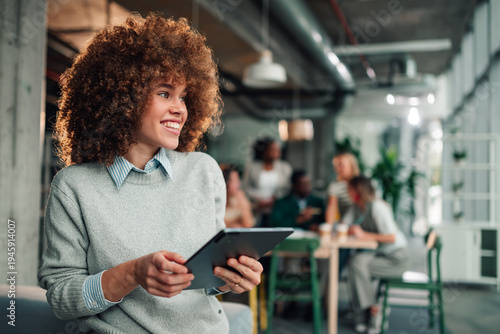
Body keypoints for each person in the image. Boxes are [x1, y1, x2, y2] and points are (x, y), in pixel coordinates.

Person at [38, 14, 262, 334]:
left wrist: (232, 280)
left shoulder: (203, 171)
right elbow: (61, 298)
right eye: (165, 93)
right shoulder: (74, 187)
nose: (180, 108)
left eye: (184, 96)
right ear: (122, 97)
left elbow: (209, 280)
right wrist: (131, 274)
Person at [345, 176, 409, 333]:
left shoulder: (378, 207)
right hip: (381, 255)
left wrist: (363, 235)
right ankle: (370, 309)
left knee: (357, 266)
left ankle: (370, 312)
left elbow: (391, 237)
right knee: (355, 261)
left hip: (396, 259)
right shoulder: (357, 207)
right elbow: (344, 226)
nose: (347, 192)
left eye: (350, 189)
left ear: (358, 191)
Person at [242, 138, 292, 227]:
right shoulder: (251, 167)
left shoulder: (285, 168)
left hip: (277, 208)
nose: (277, 151)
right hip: (256, 208)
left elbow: (287, 188)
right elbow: (245, 188)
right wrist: (259, 201)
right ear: (264, 151)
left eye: (278, 149)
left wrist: (274, 198)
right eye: (273, 149)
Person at [220, 163, 255, 228]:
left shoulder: (240, 198)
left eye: (238, 180)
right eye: (234, 181)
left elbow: (248, 224)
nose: (238, 184)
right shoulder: (217, 199)